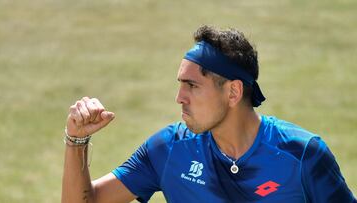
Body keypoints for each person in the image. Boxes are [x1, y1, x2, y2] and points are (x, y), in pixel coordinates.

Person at [61, 25, 356, 203]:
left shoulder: (302, 155)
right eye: (180, 84)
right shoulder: (169, 150)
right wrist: (75, 140)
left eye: (192, 85)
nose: (180, 98)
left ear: (233, 92)